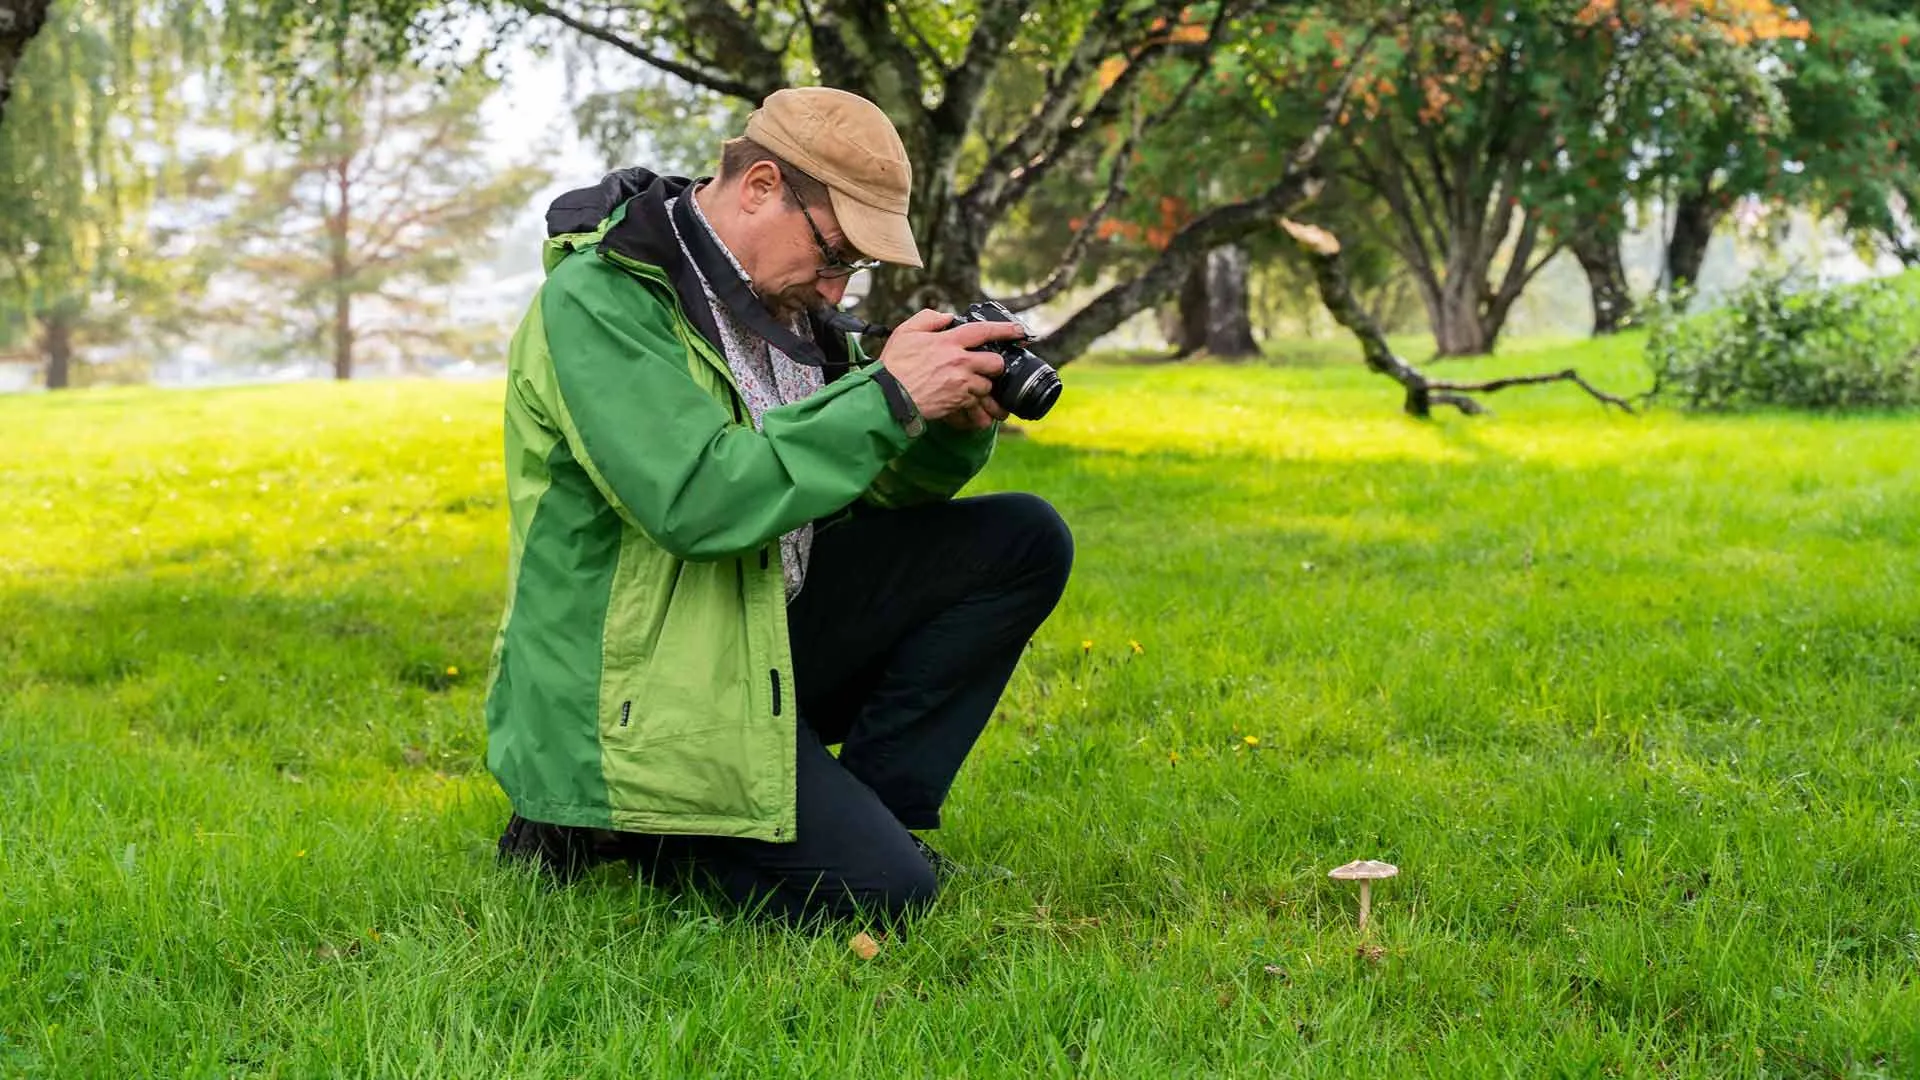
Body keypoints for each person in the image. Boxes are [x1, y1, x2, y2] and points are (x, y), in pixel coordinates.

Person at [486, 86, 1073, 924]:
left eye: (854, 268)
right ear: (761, 187)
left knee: (1022, 539)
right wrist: (889, 397)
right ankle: (610, 818)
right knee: (887, 901)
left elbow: (859, 493)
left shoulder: (787, 306)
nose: (837, 289)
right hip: (637, 693)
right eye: (833, 253)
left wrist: (941, 427)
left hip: (754, 634)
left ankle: (876, 820)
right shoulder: (601, 301)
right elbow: (699, 502)